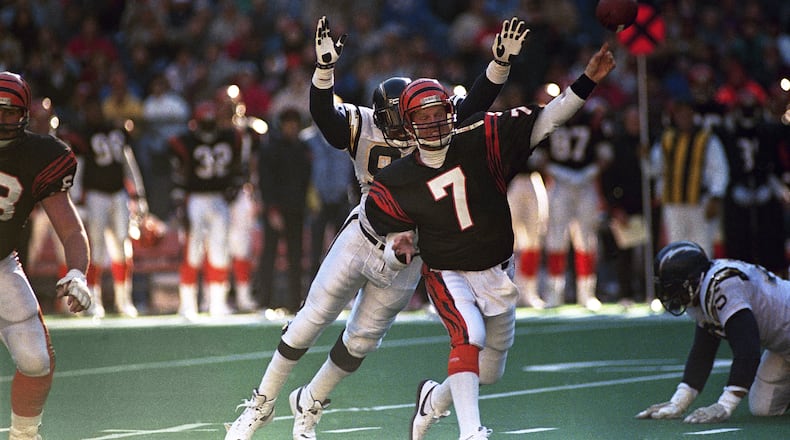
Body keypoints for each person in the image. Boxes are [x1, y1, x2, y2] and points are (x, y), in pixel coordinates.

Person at [224, 15, 528, 440]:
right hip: (363, 235)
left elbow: (475, 101)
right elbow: (325, 118)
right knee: (309, 321)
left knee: (360, 343)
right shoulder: (362, 122)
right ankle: (261, 405)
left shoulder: (434, 123)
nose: (404, 129)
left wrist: (498, 66)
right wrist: (324, 71)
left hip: (408, 254)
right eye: (395, 121)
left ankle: (310, 403)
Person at [365, 45, 616, 439]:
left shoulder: (482, 137)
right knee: (469, 337)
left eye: (438, 115)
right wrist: (399, 245)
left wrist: (588, 81)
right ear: (408, 125)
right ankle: (472, 432)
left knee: (491, 370)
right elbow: (385, 228)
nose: (433, 124)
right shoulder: (397, 177)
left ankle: (433, 399)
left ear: (451, 113)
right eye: (423, 118)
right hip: (447, 270)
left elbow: (548, 119)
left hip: (497, 268)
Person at [0, 71, 92, 439]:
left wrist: (78, 271)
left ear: (24, 114)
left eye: (9, 112)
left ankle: (24, 435)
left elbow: (70, 227)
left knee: (36, 360)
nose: (1, 118)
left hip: (1, 264)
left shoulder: (40, 155)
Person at [636, 240, 790, 423]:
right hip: (783, 345)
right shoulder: (703, 292)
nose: (671, 296)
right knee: (763, 407)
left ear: (692, 280)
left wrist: (726, 404)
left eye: (675, 288)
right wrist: (679, 401)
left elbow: (748, 349)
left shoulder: (724, 285)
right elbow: (703, 351)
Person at [70, 99, 148, 318]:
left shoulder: (117, 131)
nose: (94, 113)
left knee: (122, 246)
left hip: (118, 194)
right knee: (95, 247)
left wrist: (138, 194)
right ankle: (93, 300)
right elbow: (79, 168)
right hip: (95, 195)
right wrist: (77, 201)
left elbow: (128, 164)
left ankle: (124, 300)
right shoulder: (83, 135)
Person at [168, 99, 244, 319]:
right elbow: (180, 174)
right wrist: (180, 204)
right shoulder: (187, 141)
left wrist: (235, 186)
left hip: (219, 199)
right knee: (193, 250)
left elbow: (238, 167)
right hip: (197, 200)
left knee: (220, 251)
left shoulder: (230, 137)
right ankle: (188, 304)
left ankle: (217, 303)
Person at [535, 97, 613, 309]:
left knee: (587, 238)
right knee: (555, 238)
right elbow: (538, 158)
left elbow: (606, 156)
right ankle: (554, 292)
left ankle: (586, 293)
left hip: (585, 184)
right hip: (560, 185)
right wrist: (560, 172)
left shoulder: (592, 122)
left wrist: (588, 172)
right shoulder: (551, 120)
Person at [649, 98, 729, 257]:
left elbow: (719, 169)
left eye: (687, 113)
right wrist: (645, 158)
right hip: (674, 203)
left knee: (702, 245)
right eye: (680, 114)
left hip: (700, 202)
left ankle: (703, 280)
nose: (684, 117)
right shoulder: (667, 139)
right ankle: (679, 280)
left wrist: (716, 195)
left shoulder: (706, 139)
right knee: (676, 246)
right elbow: (655, 169)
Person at [255, 107, 313, 314]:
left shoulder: (303, 148)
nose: (292, 127)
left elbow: (306, 181)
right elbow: (266, 181)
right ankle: (264, 302)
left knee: (295, 257)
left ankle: (294, 303)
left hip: (296, 209)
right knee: (269, 255)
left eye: (295, 123)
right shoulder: (271, 148)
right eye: (288, 123)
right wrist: (272, 209)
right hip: (277, 209)